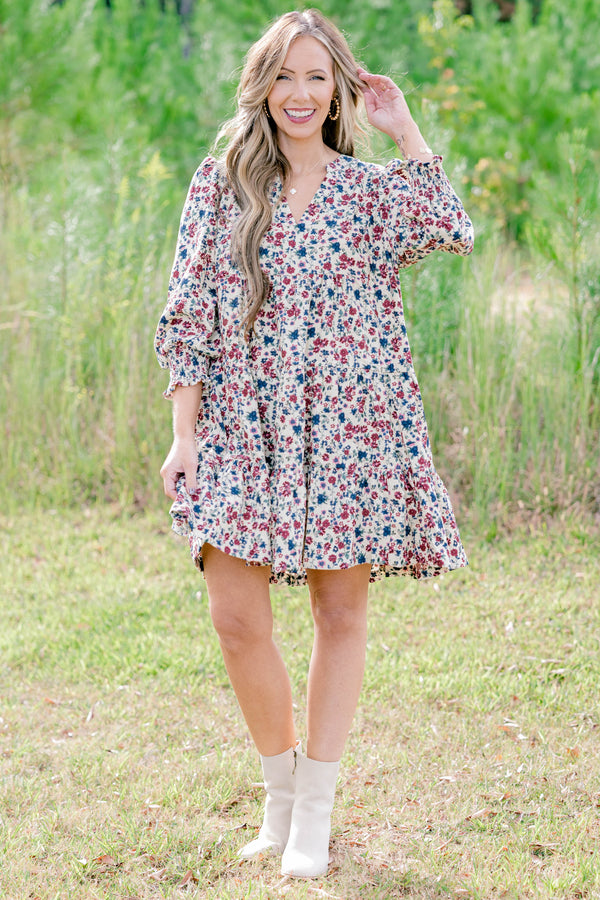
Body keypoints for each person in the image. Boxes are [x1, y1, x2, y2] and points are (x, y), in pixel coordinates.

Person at [155, 7, 473, 879]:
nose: (299, 94)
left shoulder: (367, 190)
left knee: (339, 613)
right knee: (236, 617)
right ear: (261, 84)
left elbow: (451, 227)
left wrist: (402, 125)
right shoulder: (218, 184)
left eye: (316, 77)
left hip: (349, 425)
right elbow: (186, 315)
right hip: (239, 425)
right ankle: (279, 792)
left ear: (337, 89)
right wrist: (183, 434)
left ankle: (314, 816)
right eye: (284, 76)